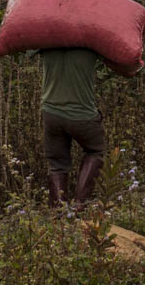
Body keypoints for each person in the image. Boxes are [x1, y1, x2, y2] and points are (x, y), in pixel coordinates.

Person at [40, 46, 110, 207]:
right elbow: (124, 60)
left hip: (51, 114)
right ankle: (79, 205)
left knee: (56, 164)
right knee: (96, 151)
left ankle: (59, 212)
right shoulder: (91, 42)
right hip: (83, 115)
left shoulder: (46, 41)